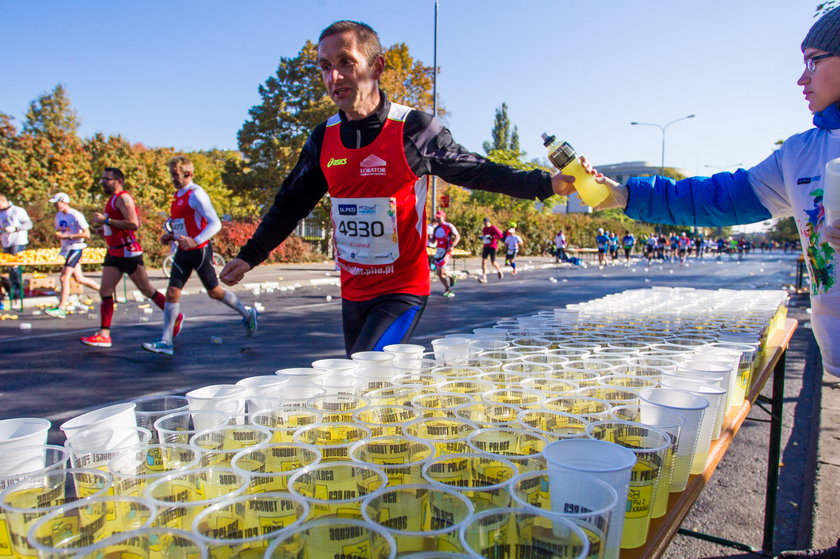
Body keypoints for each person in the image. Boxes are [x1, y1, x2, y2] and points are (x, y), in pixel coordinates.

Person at [218, 20, 572, 356]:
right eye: (325, 66)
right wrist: (250, 256)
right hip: (353, 290)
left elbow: (478, 171)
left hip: (402, 289)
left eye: (345, 62)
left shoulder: (413, 128)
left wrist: (546, 184)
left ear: (376, 67)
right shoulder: (322, 138)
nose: (334, 76)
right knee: (370, 389)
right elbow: (290, 204)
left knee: (363, 374)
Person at [564, 7, 840, 382]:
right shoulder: (799, 154)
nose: (800, 80)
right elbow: (720, 197)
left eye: (813, 63)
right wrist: (627, 195)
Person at [142, 156, 257, 356]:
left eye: (176, 175)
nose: (173, 179)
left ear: (189, 174)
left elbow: (215, 223)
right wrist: (171, 236)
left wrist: (196, 240)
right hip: (182, 251)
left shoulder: (197, 194)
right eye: (171, 175)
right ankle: (166, 341)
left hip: (200, 251)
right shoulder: (177, 195)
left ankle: (247, 314)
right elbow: (182, 223)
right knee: (172, 293)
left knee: (215, 292)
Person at [80, 167, 183, 348]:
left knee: (147, 290)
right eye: (102, 178)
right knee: (105, 291)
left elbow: (134, 224)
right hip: (114, 251)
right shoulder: (112, 200)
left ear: (118, 181)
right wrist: (103, 229)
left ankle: (176, 317)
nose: (103, 182)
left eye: (107, 179)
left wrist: (106, 222)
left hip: (128, 252)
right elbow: (128, 223)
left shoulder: (123, 198)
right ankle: (104, 334)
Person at [44, 193, 100, 318]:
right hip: (66, 248)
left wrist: (69, 236)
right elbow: (62, 230)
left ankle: (61, 307)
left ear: (64, 201)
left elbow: (87, 234)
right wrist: (59, 236)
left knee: (64, 278)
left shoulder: (76, 215)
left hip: (75, 248)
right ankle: (105, 292)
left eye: (56, 203)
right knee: (79, 278)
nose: (55, 205)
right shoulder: (58, 216)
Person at [0, 194, 32, 309]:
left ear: (3, 201)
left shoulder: (18, 211)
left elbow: (28, 224)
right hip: (6, 242)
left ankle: (18, 296)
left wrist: (15, 228)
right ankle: (11, 292)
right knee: (9, 269)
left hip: (18, 241)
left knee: (15, 268)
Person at [430, 210, 461, 297]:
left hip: (447, 251)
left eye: (439, 217)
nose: (437, 219)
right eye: (437, 217)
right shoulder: (436, 228)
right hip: (439, 251)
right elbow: (433, 241)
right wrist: (427, 236)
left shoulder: (449, 226)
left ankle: (448, 289)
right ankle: (450, 279)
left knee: (440, 270)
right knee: (439, 273)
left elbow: (458, 236)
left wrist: (453, 245)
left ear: (443, 217)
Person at [479, 217, 504, 282]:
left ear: (489, 222)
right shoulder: (484, 229)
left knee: (493, 262)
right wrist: (482, 238)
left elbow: (501, 235)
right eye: (484, 223)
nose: (485, 224)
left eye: (486, 222)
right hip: (486, 246)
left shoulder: (493, 228)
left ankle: (499, 270)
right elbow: (485, 236)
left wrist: (493, 237)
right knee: (484, 261)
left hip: (493, 246)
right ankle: (484, 277)